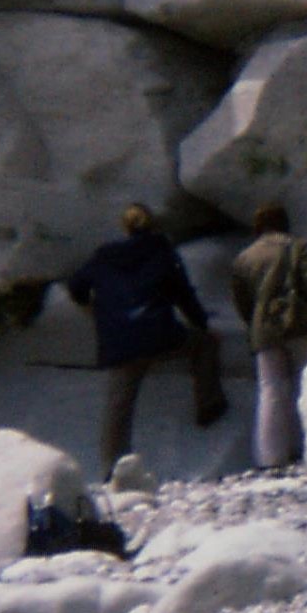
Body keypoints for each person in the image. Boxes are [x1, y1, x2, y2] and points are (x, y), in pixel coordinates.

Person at [66, 203, 227, 479]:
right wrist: (203, 324)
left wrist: (95, 309)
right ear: (153, 225)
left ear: (125, 227)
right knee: (204, 344)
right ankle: (209, 404)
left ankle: (112, 466)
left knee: (119, 403)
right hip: (159, 335)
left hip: (119, 340)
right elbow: (183, 295)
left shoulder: (104, 257)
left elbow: (76, 286)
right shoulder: (161, 253)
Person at [227, 202, 307, 469]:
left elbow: (241, 300)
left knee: (271, 388)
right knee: (304, 383)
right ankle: (306, 446)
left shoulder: (245, 257)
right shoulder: (297, 247)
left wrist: (255, 321)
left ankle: (270, 456)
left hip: (263, 328)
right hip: (298, 323)